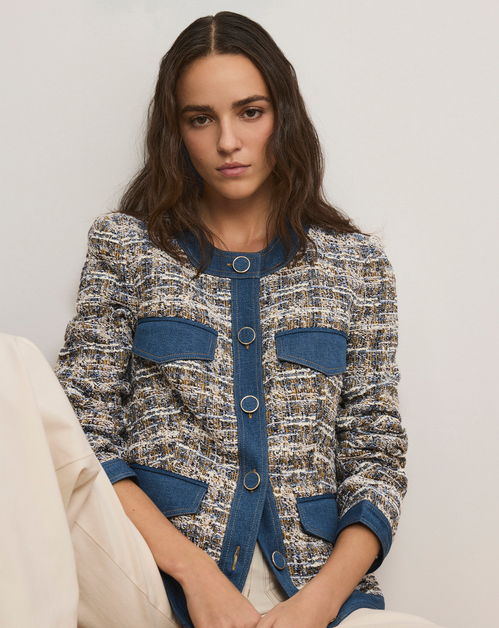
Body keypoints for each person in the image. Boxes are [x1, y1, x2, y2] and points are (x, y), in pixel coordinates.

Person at [0, 11, 446, 628]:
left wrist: (316, 606)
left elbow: (377, 457)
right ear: (176, 133)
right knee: (9, 369)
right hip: (152, 581)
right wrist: (197, 577)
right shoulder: (127, 248)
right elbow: (87, 432)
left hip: (312, 595)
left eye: (250, 112)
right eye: (201, 119)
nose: (228, 141)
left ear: (283, 117)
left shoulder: (357, 265)